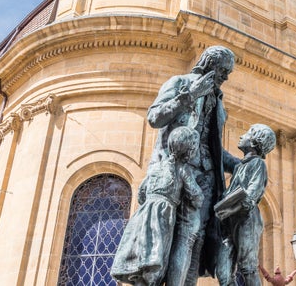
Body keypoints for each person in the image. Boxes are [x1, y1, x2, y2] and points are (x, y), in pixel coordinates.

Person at [145, 46, 240, 286]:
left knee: (195, 236)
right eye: (223, 70)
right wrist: (188, 95)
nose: (226, 77)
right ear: (209, 64)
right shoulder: (179, 83)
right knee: (169, 236)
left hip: (207, 176)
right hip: (178, 169)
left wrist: (238, 165)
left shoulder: (218, 102)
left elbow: (214, 148)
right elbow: (155, 117)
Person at [111, 126, 203, 286]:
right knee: (157, 256)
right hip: (163, 215)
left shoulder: (156, 167)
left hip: (144, 213)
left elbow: (141, 193)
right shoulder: (182, 169)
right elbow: (196, 196)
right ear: (188, 150)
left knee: (142, 254)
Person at [215, 124, 276, 286]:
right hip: (230, 220)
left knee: (247, 268)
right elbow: (223, 156)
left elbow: (252, 193)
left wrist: (229, 202)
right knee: (223, 271)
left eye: (248, 133)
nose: (242, 136)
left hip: (246, 221)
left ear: (256, 142)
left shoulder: (258, 164)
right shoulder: (240, 165)